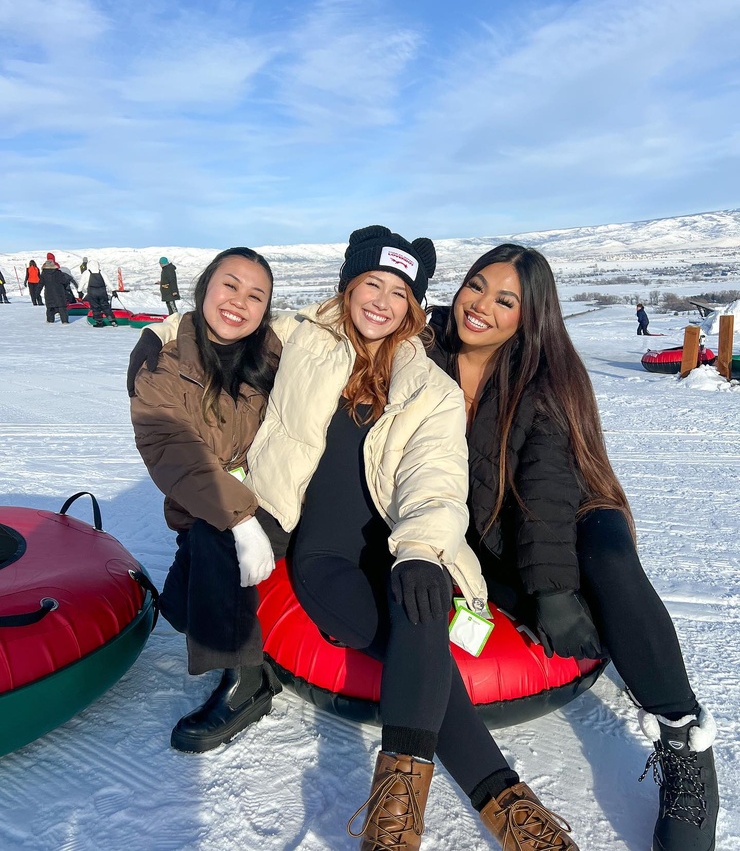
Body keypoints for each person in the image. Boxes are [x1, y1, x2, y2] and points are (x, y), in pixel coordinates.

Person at [130, 227, 582, 850]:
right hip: (324, 553)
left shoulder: (431, 387)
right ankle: (499, 802)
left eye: (400, 292)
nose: (383, 302)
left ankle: (414, 814)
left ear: (414, 305)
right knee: (404, 643)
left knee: (420, 610)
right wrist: (161, 336)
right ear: (348, 286)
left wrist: (421, 550)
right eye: (373, 283)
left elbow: (436, 478)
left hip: (400, 547)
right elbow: (227, 327)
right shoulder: (300, 337)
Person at [428, 244, 719, 851]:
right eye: (476, 286)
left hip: (575, 507)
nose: (480, 306)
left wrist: (554, 591)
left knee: (606, 564)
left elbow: (547, 488)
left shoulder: (545, 376)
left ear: (528, 316)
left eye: (505, 300)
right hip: (486, 531)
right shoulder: (425, 353)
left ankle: (684, 740)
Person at [130, 247, 288, 754]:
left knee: (213, 537)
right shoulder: (163, 359)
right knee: (180, 609)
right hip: (209, 506)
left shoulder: (277, 353)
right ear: (204, 287)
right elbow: (171, 446)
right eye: (230, 285)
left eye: (256, 295)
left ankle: (247, 683)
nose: (240, 301)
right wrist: (241, 520)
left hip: (275, 497)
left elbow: (343, 322)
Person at [78, 259, 117, 327]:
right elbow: (108, 282)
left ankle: (99, 322)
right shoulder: (102, 272)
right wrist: (113, 290)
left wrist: (79, 291)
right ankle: (112, 320)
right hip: (102, 291)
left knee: (95, 307)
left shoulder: (87, 273)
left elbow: (82, 283)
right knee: (105, 305)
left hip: (92, 292)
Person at [39, 257, 73, 323]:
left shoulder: (43, 274)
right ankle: (65, 321)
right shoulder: (58, 273)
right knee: (62, 308)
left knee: (50, 309)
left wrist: (37, 293)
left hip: (49, 294)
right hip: (59, 294)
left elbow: (40, 284)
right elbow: (65, 281)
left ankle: (50, 321)